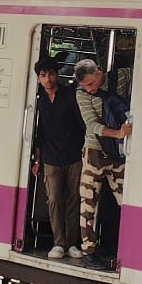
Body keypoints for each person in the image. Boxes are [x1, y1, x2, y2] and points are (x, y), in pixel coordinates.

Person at [74, 59, 131, 262]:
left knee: (128, 200)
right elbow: (91, 124)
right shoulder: (81, 94)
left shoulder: (122, 76)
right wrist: (118, 134)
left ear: (99, 73)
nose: (89, 90)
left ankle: (128, 246)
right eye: (84, 86)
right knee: (88, 201)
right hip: (94, 151)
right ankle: (89, 249)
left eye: (91, 84)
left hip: (116, 152)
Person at [32, 56, 83, 260]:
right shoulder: (39, 100)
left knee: (73, 200)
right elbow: (39, 132)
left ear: (57, 74)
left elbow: (81, 125)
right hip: (51, 158)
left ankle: (72, 243)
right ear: (38, 79)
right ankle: (58, 243)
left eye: (51, 74)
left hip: (74, 155)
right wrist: (37, 160)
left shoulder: (70, 95)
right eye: (43, 75)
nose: (48, 79)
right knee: (54, 200)